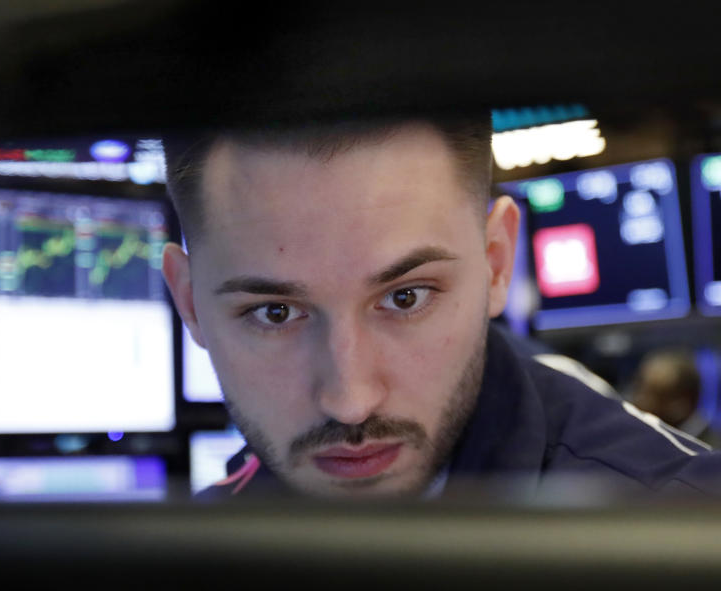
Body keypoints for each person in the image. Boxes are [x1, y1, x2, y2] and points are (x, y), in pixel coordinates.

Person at [160, 113, 720, 501]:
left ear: (496, 262)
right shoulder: (170, 572)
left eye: (405, 297)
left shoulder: (684, 544)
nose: (351, 402)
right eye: (274, 313)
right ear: (188, 303)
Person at [629, 349, 721, 449]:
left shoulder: (712, 451)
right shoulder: (638, 438)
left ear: (680, 404)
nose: (639, 400)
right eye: (639, 389)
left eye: (651, 395)